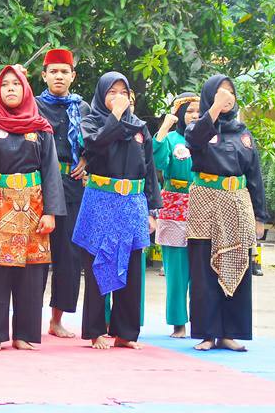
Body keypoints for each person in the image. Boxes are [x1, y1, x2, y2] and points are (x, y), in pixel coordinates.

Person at [0, 65, 63, 350]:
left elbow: (51, 171)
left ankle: (26, 334)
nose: (10, 88)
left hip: (33, 205)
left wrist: (51, 211)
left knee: (32, 272)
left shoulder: (40, 126)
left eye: (16, 84)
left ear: (25, 89)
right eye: (5, 84)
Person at [73, 72, 160, 349]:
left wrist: (151, 210)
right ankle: (97, 330)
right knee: (99, 264)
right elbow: (95, 144)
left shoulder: (140, 128)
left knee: (132, 267)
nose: (118, 97)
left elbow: (149, 171)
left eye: (123, 92)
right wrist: (116, 117)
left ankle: (125, 333)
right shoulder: (91, 122)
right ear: (101, 95)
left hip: (132, 202)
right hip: (101, 200)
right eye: (112, 92)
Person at [185, 74, 268, 352]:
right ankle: (208, 334)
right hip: (206, 204)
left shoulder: (242, 132)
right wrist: (213, 109)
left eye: (230, 91)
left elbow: (254, 174)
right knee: (204, 268)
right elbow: (195, 141)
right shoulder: (199, 127)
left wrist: (259, 217)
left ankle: (230, 333)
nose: (226, 96)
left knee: (238, 265)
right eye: (220, 91)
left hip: (237, 202)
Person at [35, 48, 90, 338]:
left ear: (73, 76)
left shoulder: (82, 109)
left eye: (64, 71)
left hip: (71, 184)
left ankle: (57, 320)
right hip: (38, 185)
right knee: (36, 253)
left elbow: (97, 141)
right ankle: (29, 316)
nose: (59, 76)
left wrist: (88, 159)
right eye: (53, 71)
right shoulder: (32, 105)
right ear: (44, 75)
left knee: (68, 256)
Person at [152, 92, 200, 338]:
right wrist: (164, 127)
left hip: (203, 204)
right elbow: (158, 162)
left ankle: (203, 321)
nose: (194, 115)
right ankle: (178, 322)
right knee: (177, 268)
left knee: (202, 265)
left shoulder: (208, 138)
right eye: (190, 110)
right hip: (174, 204)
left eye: (198, 111)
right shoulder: (171, 138)